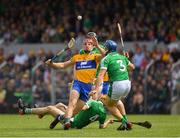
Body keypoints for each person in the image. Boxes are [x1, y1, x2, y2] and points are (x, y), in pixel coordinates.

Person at [45, 36, 103, 129]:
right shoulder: (77, 57)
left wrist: (98, 46)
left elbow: (105, 55)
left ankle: (59, 118)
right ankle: (67, 123)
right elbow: (63, 65)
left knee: (75, 111)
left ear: (93, 46)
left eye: (90, 44)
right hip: (77, 83)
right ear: (82, 46)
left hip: (87, 87)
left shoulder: (95, 57)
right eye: (85, 44)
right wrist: (52, 64)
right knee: (72, 102)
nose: (87, 45)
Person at [90, 40, 135, 130]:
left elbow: (101, 75)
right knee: (116, 102)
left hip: (117, 85)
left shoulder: (106, 59)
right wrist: (126, 59)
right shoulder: (122, 57)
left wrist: (96, 88)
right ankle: (125, 122)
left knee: (109, 104)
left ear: (107, 49)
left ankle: (124, 122)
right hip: (127, 84)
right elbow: (132, 67)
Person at [18, 99, 114, 129]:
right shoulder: (104, 114)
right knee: (60, 105)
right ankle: (41, 114)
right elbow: (102, 127)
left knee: (50, 108)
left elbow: (83, 108)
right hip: (75, 121)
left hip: (71, 122)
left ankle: (24, 110)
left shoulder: (93, 102)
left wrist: (88, 99)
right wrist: (109, 122)